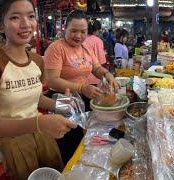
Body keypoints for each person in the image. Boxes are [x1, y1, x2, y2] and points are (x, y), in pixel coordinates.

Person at [0, 1, 77, 179]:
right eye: (14, 17)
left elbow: (34, 98)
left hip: (43, 136)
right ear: (0, 25)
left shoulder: (37, 60)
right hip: (14, 142)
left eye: (30, 16)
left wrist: (59, 104)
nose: (26, 24)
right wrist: (40, 123)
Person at [44, 10, 119, 164]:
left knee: (84, 140)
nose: (78, 36)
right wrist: (82, 88)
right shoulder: (56, 48)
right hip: (63, 100)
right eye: (74, 31)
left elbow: (97, 69)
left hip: (82, 97)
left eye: (83, 32)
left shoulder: (85, 48)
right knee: (68, 144)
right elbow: (51, 80)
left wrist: (107, 74)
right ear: (64, 29)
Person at [83, 19, 107, 85]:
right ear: (97, 30)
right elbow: (102, 61)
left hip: (81, 78)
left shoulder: (82, 39)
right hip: (94, 78)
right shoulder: (98, 41)